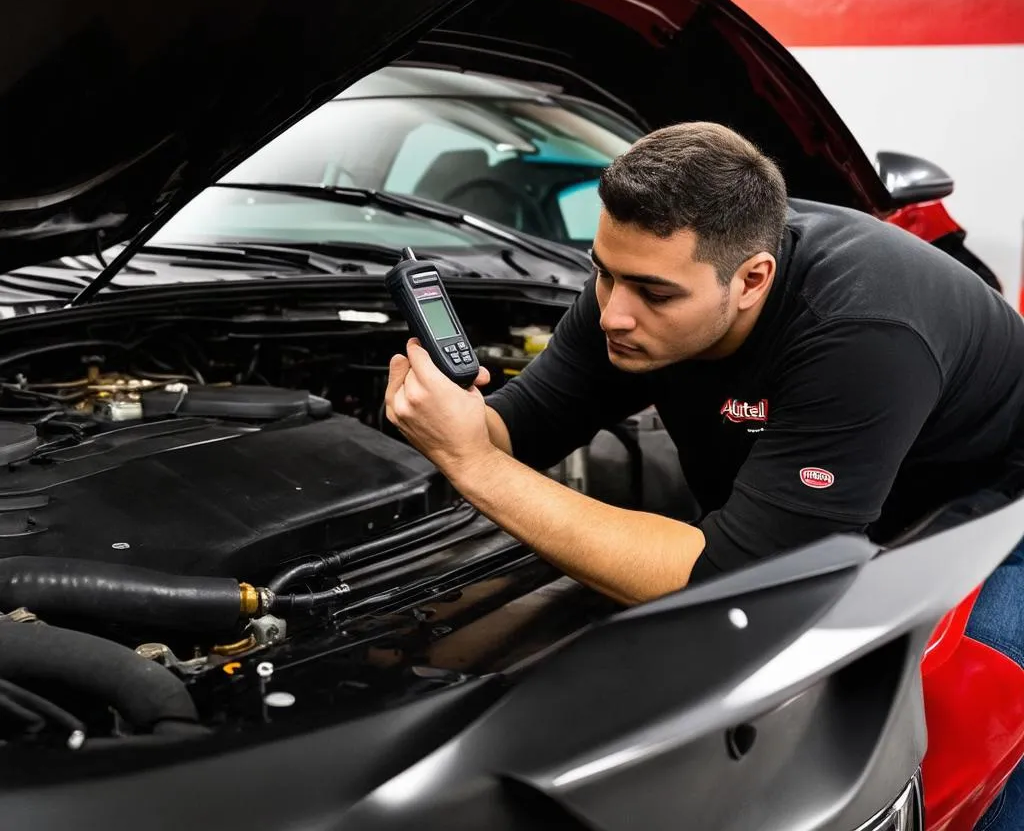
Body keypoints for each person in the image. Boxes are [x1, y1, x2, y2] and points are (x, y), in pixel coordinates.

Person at [384, 121, 1024, 829]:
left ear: (752, 279)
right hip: (843, 506)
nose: (614, 314)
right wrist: (451, 420)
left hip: (997, 514)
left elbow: (737, 578)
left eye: (654, 295)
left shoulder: (862, 330)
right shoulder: (631, 287)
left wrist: (473, 465)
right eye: (604, 272)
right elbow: (521, 428)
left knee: (971, 734)